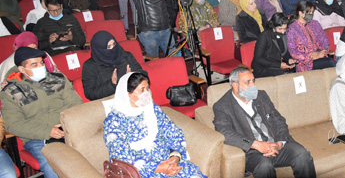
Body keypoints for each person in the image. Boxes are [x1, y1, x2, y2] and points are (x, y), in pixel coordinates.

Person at [213, 67, 316, 178]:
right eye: (248, 82)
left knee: (302, 154)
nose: (253, 85)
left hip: (275, 145)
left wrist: (279, 143)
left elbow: (279, 120)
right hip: (252, 152)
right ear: (235, 85)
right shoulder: (223, 106)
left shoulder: (261, 96)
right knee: (264, 166)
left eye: (253, 81)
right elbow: (224, 132)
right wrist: (256, 145)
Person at [103, 72, 206, 178]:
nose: (147, 93)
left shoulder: (153, 109)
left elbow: (173, 132)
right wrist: (159, 168)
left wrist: (175, 158)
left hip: (168, 161)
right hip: (141, 170)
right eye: (142, 90)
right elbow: (120, 154)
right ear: (127, 94)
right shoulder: (114, 121)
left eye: (147, 88)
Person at [1, 47, 83, 178]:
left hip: (68, 129)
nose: (41, 67)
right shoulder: (11, 91)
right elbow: (13, 125)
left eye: (41, 62)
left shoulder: (58, 79)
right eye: (34, 65)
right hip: (39, 137)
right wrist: (47, 131)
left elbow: (76, 104)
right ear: (22, 69)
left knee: (93, 153)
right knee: (54, 165)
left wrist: (66, 124)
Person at [82, 31, 146, 101]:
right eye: (108, 46)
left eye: (114, 44)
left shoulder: (126, 56)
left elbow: (143, 75)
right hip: (109, 100)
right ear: (99, 49)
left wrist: (132, 78)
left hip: (132, 97)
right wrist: (112, 84)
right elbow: (90, 93)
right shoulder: (90, 66)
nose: (113, 48)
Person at [286, 1, 335, 72]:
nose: (311, 14)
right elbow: (293, 52)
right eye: (309, 12)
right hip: (304, 63)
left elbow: (325, 40)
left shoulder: (315, 24)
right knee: (331, 63)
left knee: (332, 63)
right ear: (300, 13)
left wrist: (321, 52)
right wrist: (311, 56)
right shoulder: (292, 29)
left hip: (320, 56)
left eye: (312, 12)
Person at [252, 13, 296, 78]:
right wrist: (279, 65)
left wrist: (289, 59)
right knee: (285, 74)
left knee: (293, 72)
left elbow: (284, 51)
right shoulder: (264, 36)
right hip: (262, 68)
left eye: (285, 29)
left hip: (275, 66)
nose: (283, 32)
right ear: (273, 26)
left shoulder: (283, 35)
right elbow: (258, 58)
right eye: (280, 29)